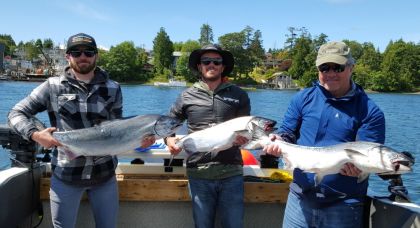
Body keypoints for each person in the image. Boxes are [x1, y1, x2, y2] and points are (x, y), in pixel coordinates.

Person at [8, 33, 154, 228]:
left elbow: (117, 128)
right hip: (66, 176)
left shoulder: (113, 88)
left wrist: (138, 139)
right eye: (76, 52)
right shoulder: (52, 86)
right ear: (68, 56)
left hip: (105, 176)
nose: (82, 56)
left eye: (89, 52)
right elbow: (16, 113)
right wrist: (35, 135)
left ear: (96, 56)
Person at [263, 41, 385, 228]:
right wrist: (278, 140)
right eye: (324, 68)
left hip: (344, 205)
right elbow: (287, 133)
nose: (330, 73)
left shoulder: (370, 111)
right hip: (299, 200)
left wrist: (360, 168)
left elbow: (367, 153)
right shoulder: (302, 99)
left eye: (337, 67)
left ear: (351, 68)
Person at [165, 44, 251, 228]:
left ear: (222, 66)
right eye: (206, 61)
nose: (211, 64)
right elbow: (167, 124)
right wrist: (169, 139)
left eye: (216, 61)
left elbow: (247, 130)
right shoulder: (186, 96)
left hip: (231, 173)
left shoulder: (239, 95)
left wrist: (245, 138)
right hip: (199, 174)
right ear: (199, 66)